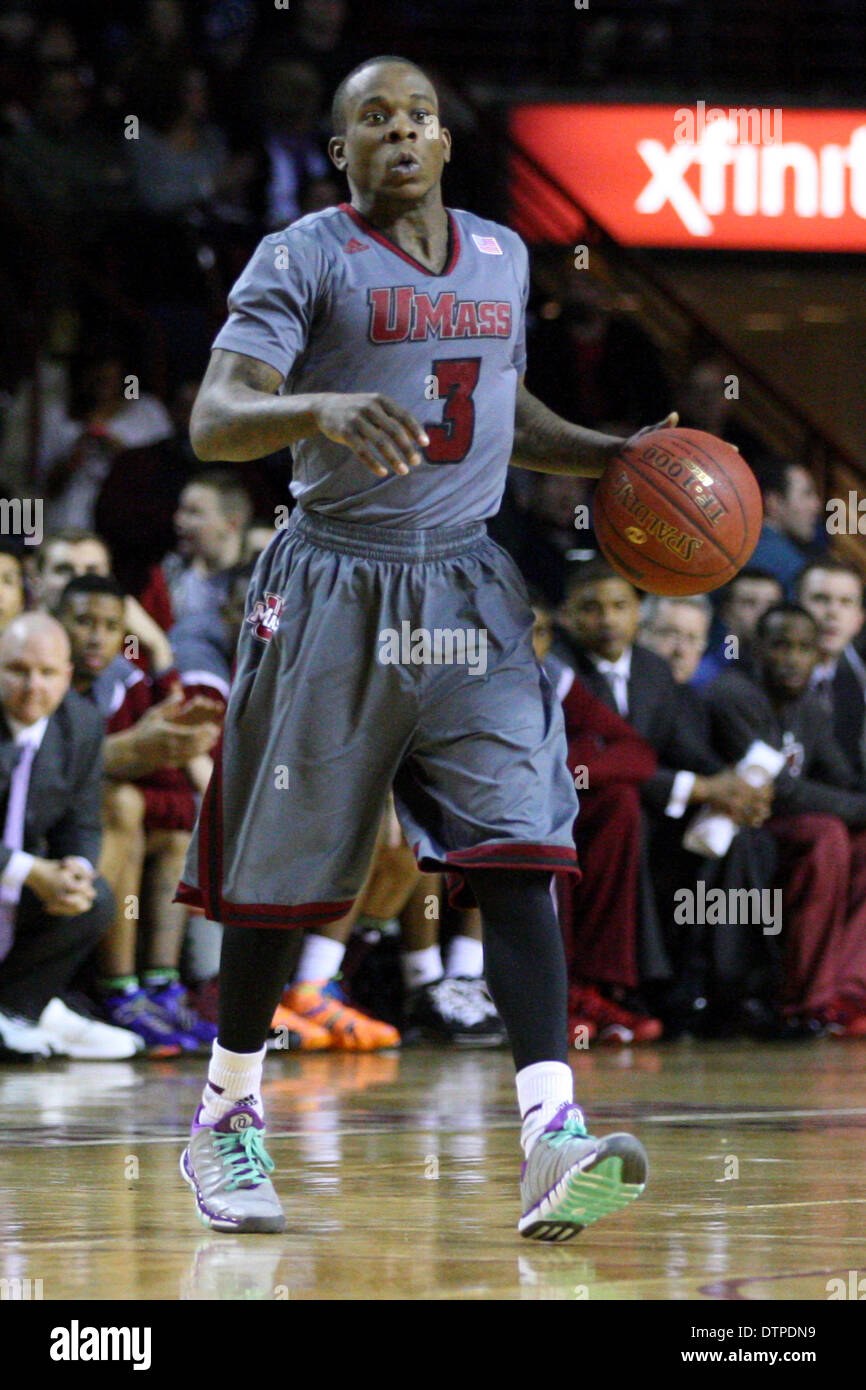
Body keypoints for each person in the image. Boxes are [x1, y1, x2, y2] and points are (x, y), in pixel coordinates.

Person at [175, 55, 655, 1241]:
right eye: (371, 120)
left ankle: (552, 1133)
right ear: (340, 152)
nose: (399, 133)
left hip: (468, 583)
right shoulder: (302, 256)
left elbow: (506, 408)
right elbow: (214, 416)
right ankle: (223, 1115)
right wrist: (316, 410)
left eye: (419, 117)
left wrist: (615, 455)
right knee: (275, 878)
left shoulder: (502, 254)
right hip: (331, 572)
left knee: (520, 840)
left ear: (446, 143)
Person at [706, 605, 866, 1036]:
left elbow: (842, 778)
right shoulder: (734, 694)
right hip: (734, 826)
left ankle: (846, 991)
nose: (793, 658)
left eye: (804, 648)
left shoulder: (811, 708)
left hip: (783, 826)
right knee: (827, 833)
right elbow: (779, 790)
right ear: (758, 649)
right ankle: (805, 1000)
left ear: (819, 656)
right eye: (781, 646)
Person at [0, 613, 139, 1060]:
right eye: (17, 670)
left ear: (67, 677)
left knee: (92, 898)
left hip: (21, 888)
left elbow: (82, 822)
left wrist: (74, 870)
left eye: (46, 673)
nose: (32, 686)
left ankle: (17, 1013)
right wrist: (30, 871)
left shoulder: (80, 725)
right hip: (16, 871)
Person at [796, 558, 866, 776]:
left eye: (846, 602)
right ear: (796, 608)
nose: (833, 613)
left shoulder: (861, 680)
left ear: (859, 619)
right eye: (821, 599)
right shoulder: (760, 677)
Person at [749, 461, 824, 596]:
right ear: (774, 502)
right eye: (806, 494)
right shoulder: (791, 565)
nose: (816, 505)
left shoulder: (738, 547)